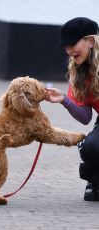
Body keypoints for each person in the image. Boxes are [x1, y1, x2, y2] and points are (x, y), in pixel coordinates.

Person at [46, 17, 99, 201]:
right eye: (65, 47)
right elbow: (85, 117)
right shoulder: (79, 73)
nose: (68, 51)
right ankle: (95, 180)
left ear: (90, 41)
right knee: (91, 147)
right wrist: (64, 100)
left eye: (72, 44)